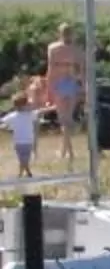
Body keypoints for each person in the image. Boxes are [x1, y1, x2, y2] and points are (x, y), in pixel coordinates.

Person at [41, 24, 80, 165]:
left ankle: (69, 152)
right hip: (71, 82)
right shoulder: (76, 50)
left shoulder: (53, 48)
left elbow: (50, 69)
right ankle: (64, 150)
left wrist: (48, 90)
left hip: (58, 82)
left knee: (63, 118)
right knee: (67, 118)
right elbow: (81, 70)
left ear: (59, 33)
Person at [6, 87, 35, 179]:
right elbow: (39, 112)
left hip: (19, 142)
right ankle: (27, 173)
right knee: (24, 159)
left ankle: (23, 173)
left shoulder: (13, 115)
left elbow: (3, 121)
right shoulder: (30, 114)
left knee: (22, 159)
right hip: (27, 141)